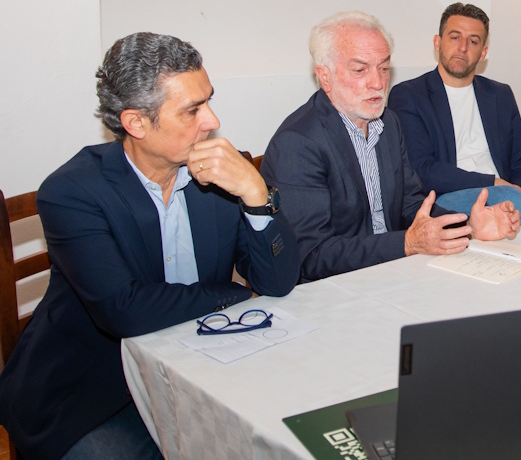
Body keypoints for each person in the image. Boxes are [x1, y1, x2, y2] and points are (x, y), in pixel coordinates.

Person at [0, 33, 299, 460]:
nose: (212, 120)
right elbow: (124, 309)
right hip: (91, 390)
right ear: (136, 123)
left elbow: (279, 282)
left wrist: (256, 194)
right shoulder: (72, 192)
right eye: (192, 110)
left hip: (199, 367)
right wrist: (234, 295)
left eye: (208, 101)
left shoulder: (216, 172)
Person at [261, 11, 520, 282]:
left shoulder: (387, 123)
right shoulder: (298, 143)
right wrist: (406, 244)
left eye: (384, 68)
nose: (378, 83)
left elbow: (411, 204)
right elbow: (313, 257)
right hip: (334, 286)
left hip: (393, 270)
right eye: (360, 70)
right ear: (325, 76)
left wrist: (467, 227)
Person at [389, 3, 521, 225]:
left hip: (505, 198)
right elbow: (422, 170)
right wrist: (495, 183)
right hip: (446, 199)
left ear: (483, 53)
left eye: (473, 41)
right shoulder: (409, 95)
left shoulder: (500, 95)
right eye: (455, 37)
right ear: (437, 43)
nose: (462, 48)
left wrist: (517, 193)